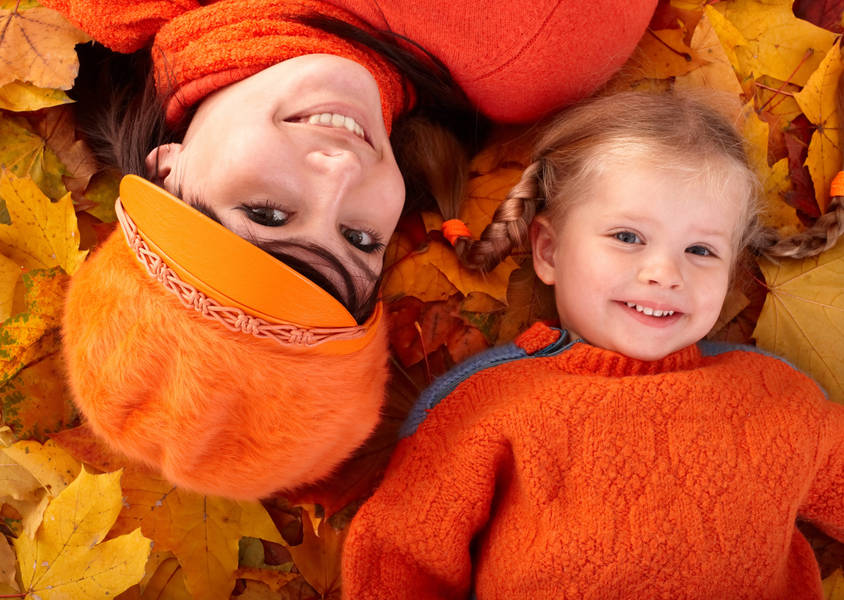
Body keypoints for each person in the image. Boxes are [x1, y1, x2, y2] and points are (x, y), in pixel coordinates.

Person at [43, 0, 658, 500]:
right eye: (360, 239)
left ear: (165, 169)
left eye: (267, 214)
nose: (341, 175)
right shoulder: (530, 41)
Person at [341, 91, 844, 599]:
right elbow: (402, 555)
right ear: (550, 252)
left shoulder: (776, 397)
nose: (664, 273)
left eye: (700, 250)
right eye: (627, 237)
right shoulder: (484, 405)